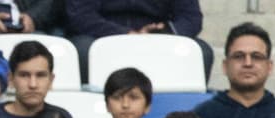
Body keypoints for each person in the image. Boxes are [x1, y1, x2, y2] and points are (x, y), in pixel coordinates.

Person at [65, 0, 212, 84]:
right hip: (103, 34)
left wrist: (164, 32)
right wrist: (127, 34)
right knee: (82, 48)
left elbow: (192, 19)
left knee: (202, 51)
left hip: (157, 37)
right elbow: (81, 16)